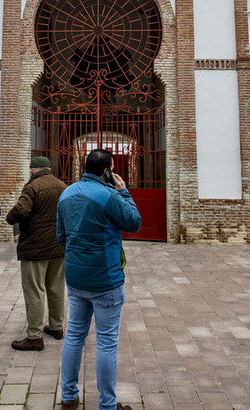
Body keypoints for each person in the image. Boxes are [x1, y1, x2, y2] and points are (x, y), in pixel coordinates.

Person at [57, 148, 141, 410]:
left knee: (74, 336)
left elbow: (61, 236)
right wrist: (124, 191)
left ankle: (68, 396)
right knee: (106, 342)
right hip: (106, 279)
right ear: (107, 171)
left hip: (75, 277)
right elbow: (134, 222)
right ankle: (107, 404)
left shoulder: (67, 193)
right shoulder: (108, 195)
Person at [6, 156, 67, 351]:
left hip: (35, 246)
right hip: (58, 245)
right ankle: (57, 327)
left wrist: (10, 217)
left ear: (33, 170)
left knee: (34, 290)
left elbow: (21, 210)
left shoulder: (32, 187)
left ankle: (34, 337)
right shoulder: (62, 185)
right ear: (48, 168)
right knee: (56, 287)